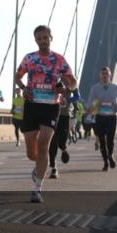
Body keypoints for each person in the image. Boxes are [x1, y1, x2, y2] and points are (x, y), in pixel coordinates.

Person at [14, 25, 76, 203]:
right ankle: (37, 167)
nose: (43, 41)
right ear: (36, 40)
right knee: (31, 153)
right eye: (39, 38)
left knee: (44, 145)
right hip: (32, 106)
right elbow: (18, 76)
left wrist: (65, 88)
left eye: (45, 37)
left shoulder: (59, 60)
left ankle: (37, 188)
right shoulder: (29, 58)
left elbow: (72, 81)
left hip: (51, 106)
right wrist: (24, 88)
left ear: (51, 38)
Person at [86, 67, 117, 171]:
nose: (104, 76)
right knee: (102, 141)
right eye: (103, 74)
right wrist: (91, 108)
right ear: (100, 75)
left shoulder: (116, 88)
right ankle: (105, 162)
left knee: (110, 140)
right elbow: (90, 102)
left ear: (110, 75)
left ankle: (110, 155)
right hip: (99, 117)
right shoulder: (95, 88)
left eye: (106, 74)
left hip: (112, 117)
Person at [48, 87, 73, 179]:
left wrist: (68, 100)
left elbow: (77, 96)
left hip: (64, 116)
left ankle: (63, 149)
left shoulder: (70, 84)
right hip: (53, 114)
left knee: (62, 142)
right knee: (52, 142)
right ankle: (53, 167)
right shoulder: (52, 81)